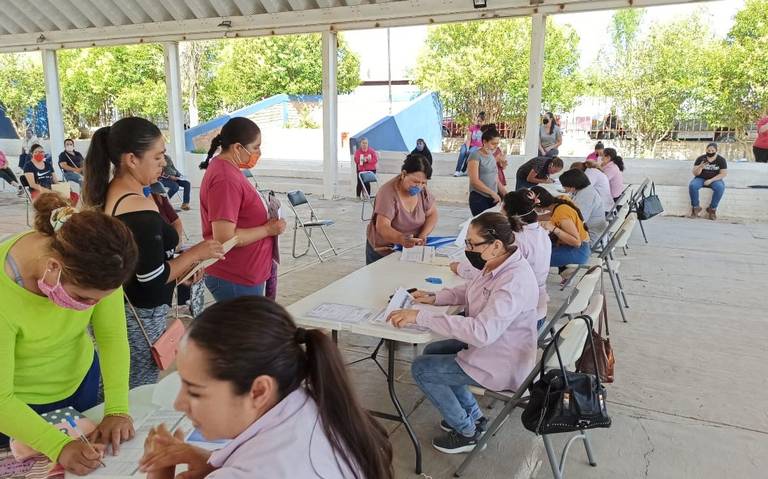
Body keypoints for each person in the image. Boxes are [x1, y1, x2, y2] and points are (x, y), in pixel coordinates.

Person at [138, 297, 394, 479]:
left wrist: (158, 473)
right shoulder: (312, 403)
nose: (179, 404)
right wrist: (210, 461)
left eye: (195, 391)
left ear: (259, 391)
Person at [0, 193, 139, 476]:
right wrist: (58, 445)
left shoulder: (100, 266)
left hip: (80, 384)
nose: (90, 307)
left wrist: (117, 409)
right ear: (53, 267)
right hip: (19, 408)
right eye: (84, 298)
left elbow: (111, 338)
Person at [83, 116, 224, 389]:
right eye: (157, 157)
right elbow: (150, 280)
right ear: (131, 159)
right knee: (135, 393)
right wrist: (197, 253)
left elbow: (142, 262)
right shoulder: (138, 209)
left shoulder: (114, 193)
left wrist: (183, 266)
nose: (163, 163)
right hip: (139, 319)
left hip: (122, 311)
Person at [388, 212, 538, 454]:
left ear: (496, 245)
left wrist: (422, 316)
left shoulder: (514, 281)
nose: (468, 249)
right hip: (494, 347)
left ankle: (467, 432)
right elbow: (471, 289)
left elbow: (482, 333)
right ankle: (473, 416)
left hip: (501, 361)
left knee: (422, 369)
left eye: (471, 243)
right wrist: (435, 297)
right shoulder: (499, 263)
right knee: (434, 350)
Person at [199, 117, 286, 302]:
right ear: (238, 148)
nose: (259, 152)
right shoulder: (225, 178)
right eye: (255, 147)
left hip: (246, 272)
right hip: (235, 276)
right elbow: (225, 237)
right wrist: (268, 230)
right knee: (244, 330)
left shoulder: (229, 170)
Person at [451, 190, 551, 325]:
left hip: (521, 318)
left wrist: (460, 268)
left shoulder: (515, 241)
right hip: (536, 306)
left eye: (502, 208)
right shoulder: (541, 232)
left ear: (509, 215)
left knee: (453, 321)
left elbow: (486, 274)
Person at [366, 154, 437, 264]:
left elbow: (432, 214)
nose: (419, 186)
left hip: (410, 249)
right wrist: (400, 239)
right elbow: (383, 226)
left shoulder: (423, 191)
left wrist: (424, 234)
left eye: (423, 183)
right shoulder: (387, 193)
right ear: (404, 174)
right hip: (384, 250)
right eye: (415, 182)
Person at [530, 186, 590, 273]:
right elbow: (551, 215)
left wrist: (553, 228)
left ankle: (536, 283)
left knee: (535, 260)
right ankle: (563, 273)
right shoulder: (559, 202)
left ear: (539, 206)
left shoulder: (562, 212)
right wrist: (530, 218)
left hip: (579, 251)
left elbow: (577, 243)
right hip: (572, 245)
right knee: (539, 249)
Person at [558, 169, 608, 245]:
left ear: (573, 187)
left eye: (564, 186)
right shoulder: (583, 190)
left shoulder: (587, 196)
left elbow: (577, 220)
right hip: (585, 230)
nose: (564, 189)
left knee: (551, 236)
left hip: (588, 237)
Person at [467, 128, 506, 216]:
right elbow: (474, 181)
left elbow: (495, 177)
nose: (496, 146)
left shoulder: (491, 156)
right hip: (479, 198)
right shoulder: (475, 155)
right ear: (484, 141)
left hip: (493, 197)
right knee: (484, 225)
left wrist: (504, 193)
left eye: (497, 144)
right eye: (493, 143)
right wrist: (492, 193)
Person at [689, 142, 727, 220]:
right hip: (701, 178)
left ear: (716, 151)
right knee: (693, 186)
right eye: (708, 150)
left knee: (720, 187)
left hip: (715, 179)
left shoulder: (721, 160)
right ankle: (696, 207)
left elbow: (723, 174)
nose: (710, 152)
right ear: (706, 150)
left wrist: (711, 180)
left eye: (712, 151)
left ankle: (712, 209)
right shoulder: (701, 159)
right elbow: (695, 173)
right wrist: (700, 167)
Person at [453, 112, 485, 176]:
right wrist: (467, 148)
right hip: (469, 144)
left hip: (477, 146)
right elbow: (469, 139)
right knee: (463, 152)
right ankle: (457, 170)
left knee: (470, 152)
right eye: (478, 121)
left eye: (480, 121)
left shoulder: (485, 130)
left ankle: (463, 170)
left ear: (484, 121)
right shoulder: (472, 127)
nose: (479, 123)